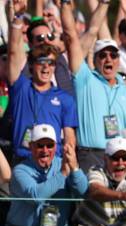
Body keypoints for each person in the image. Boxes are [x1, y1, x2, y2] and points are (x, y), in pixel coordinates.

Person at [60, 0, 126, 172]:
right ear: (95, 60)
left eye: (113, 55)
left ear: (119, 60)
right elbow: (71, 36)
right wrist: (67, 4)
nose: (108, 59)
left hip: (120, 158)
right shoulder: (85, 80)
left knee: (121, 200)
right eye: (103, 55)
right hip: (90, 156)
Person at [8, 17, 78, 162]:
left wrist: (67, 166)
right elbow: (13, 52)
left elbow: (69, 139)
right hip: (24, 161)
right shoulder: (21, 88)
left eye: (51, 63)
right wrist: (17, 18)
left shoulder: (65, 98)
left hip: (54, 163)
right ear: (31, 65)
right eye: (41, 62)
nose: (46, 67)